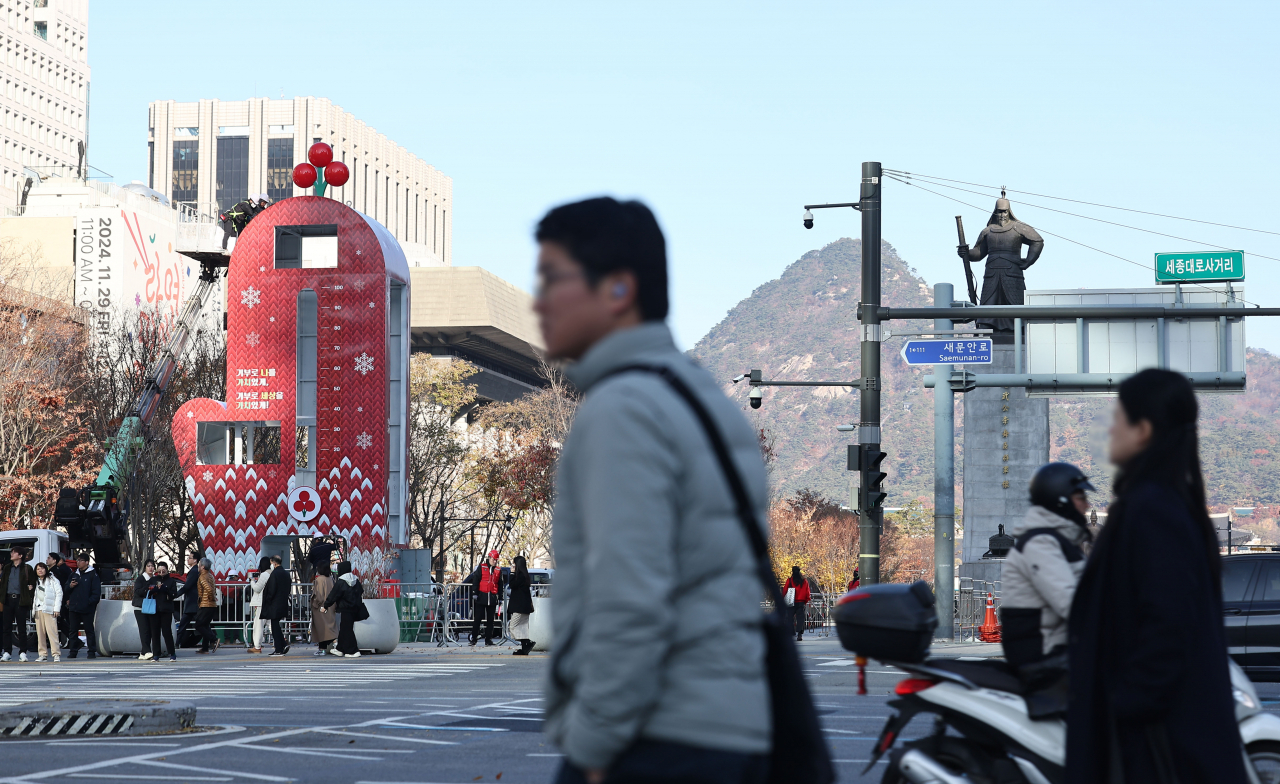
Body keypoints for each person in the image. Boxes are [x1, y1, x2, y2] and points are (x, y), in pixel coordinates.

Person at [535, 197, 770, 783]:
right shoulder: (703, 399)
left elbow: (628, 597)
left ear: (618, 289)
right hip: (727, 725)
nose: (537, 301)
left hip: (655, 737)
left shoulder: (623, 410)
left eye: (552, 278)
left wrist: (592, 744)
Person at [1067, 368, 1248, 784]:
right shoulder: (1165, 503)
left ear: (1143, 430)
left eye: (1119, 418)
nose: (1110, 429)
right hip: (1167, 738)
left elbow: (1168, 626)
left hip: (1159, 746)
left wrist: (1125, 704)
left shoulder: (1152, 510)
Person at [1000, 462, 1094, 718]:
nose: (1086, 505)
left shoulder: (1061, 541)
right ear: (1060, 500)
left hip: (1061, 649)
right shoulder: (1041, 543)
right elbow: (1072, 603)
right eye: (1080, 497)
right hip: (1044, 655)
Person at [321, 561, 364, 658]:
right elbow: (361, 591)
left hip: (345, 608)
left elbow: (333, 595)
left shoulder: (341, 582)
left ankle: (353, 650)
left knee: (347, 629)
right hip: (355, 608)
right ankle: (339, 649)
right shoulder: (356, 580)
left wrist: (326, 605)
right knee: (345, 628)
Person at [0, 546, 36, 662]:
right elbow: (3, 583)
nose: (11, 554)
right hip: (8, 599)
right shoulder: (7, 568)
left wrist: (29, 591)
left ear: (20, 555)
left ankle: (23, 652)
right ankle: (7, 652)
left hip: (21, 600)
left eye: (14, 552)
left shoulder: (27, 568)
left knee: (21, 627)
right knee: (6, 627)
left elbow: (32, 584)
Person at [66, 552, 100, 659]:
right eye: (78, 560)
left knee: (89, 630)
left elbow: (96, 593)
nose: (78, 562)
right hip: (74, 607)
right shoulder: (73, 574)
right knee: (73, 630)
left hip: (87, 608)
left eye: (80, 560)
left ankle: (91, 651)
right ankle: (73, 651)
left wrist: (89, 603)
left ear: (86, 562)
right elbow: (65, 588)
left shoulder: (92, 574)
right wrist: (70, 586)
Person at [467, 550, 502, 646]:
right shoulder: (482, 567)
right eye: (494, 559)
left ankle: (488, 639)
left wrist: (501, 598)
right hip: (482, 596)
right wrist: (475, 593)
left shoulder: (498, 570)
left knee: (491, 620)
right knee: (477, 618)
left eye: (496, 560)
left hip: (493, 597)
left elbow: (500, 584)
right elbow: (476, 580)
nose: (495, 561)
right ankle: (474, 638)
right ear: (489, 558)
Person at [261, 555, 291, 656]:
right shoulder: (286, 574)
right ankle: (282, 644)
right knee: (276, 625)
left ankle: (279, 648)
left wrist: (268, 601)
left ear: (273, 563)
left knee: (274, 626)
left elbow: (271, 590)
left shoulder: (275, 574)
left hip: (274, 604)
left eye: (271, 563)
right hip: (283, 602)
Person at [31, 562, 62, 662]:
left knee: (52, 632)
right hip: (38, 609)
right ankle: (42, 654)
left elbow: (59, 593)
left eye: (42, 568)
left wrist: (57, 609)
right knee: (40, 634)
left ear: (46, 569)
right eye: (38, 569)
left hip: (49, 609)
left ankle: (56, 654)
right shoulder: (35, 581)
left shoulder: (53, 579)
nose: (40, 570)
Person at [507, 555, 535, 655]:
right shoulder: (525, 575)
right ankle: (524, 648)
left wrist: (512, 573)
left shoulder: (520, 576)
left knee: (513, 626)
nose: (513, 566)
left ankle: (527, 642)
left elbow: (512, 585)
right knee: (522, 627)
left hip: (520, 607)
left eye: (514, 564)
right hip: (525, 607)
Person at [151, 562, 179, 662]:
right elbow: (148, 590)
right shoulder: (154, 579)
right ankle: (156, 654)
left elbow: (174, 594)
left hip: (166, 609)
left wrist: (165, 589)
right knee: (155, 632)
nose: (161, 573)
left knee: (166, 632)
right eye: (159, 571)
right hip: (155, 609)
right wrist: (154, 589)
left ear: (167, 570)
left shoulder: (171, 581)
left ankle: (172, 653)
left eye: (163, 571)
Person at [132, 559, 158, 661]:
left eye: (152, 566)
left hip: (151, 607)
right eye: (148, 566)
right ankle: (147, 651)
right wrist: (148, 588)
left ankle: (143, 653)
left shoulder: (155, 579)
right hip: (140, 607)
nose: (151, 568)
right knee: (144, 630)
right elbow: (137, 592)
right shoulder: (141, 579)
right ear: (145, 567)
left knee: (150, 630)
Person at [173, 552, 201, 648]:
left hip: (192, 602)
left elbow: (187, 586)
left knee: (184, 623)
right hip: (192, 601)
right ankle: (212, 639)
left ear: (195, 560)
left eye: (189, 558)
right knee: (198, 623)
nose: (187, 559)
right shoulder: (195, 570)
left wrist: (176, 595)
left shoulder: (194, 571)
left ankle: (177, 643)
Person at [310, 561, 337, 656]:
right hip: (330, 605)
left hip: (321, 607)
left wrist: (314, 604)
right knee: (329, 626)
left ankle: (323, 648)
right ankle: (331, 644)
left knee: (321, 629)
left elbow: (319, 595)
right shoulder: (330, 579)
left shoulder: (319, 580)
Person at [193, 558, 219, 654]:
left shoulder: (202, 577)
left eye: (199, 565)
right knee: (205, 625)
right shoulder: (210, 576)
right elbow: (213, 589)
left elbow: (209, 589)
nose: (198, 566)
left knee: (198, 625)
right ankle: (205, 648)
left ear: (203, 567)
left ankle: (214, 640)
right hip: (211, 605)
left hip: (205, 604)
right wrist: (213, 598)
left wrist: (211, 597)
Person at [246, 557, 272, 654]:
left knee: (258, 624)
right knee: (271, 623)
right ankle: (281, 640)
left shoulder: (265, 574)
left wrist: (252, 581)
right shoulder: (272, 573)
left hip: (261, 602)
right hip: (269, 602)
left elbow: (257, 588)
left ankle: (257, 646)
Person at [46, 553, 70, 646]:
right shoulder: (52, 571)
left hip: (56, 600)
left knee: (58, 621)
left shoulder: (56, 572)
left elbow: (60, 587)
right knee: (57, 621)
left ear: (54, 560)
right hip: (54, 600)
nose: (47, 560)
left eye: (49, 558)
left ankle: (74, 640)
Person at [783, 566, 811, 642]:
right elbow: (807, 592)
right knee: (800, 619)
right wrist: (806, 600)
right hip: (801, 602)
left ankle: (791, 633)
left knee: (789, 618)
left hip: (791, 602)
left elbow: (785, 590)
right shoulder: (804, 581)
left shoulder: (790, 580)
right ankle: (799, 634)